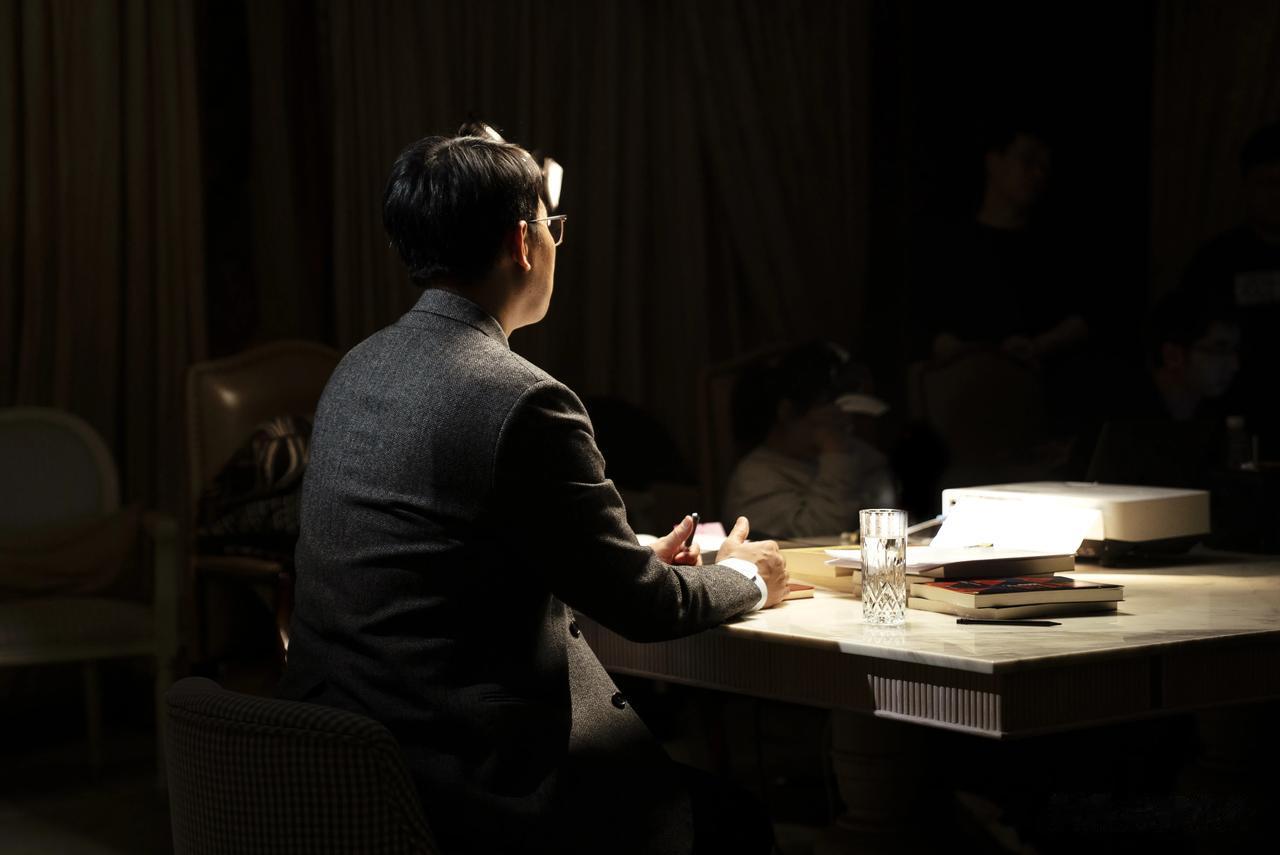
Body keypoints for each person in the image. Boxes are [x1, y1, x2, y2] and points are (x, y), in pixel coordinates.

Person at [276, 124, 787, 855]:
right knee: (735, 822)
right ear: (524, 242)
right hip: (472, 788)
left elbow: (440, 557)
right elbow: (642, 607)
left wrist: (619, 555)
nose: (554, 242)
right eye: (553, 226)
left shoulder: (356, 368)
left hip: (338, 768)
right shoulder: (524, 399)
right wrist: (748, 575)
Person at [721, 341, 895, 539]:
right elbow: (819, 536)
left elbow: (888, 507)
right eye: (829, 406)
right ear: (787, 411)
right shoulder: (754, 478)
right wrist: (836, 456)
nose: (844, 418)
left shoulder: (856, 452)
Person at [1181, 121, 1280, 450]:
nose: (1276, 194)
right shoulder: (1217, 258)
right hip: (1231, 412)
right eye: (1266, 183)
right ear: (1246, 186)